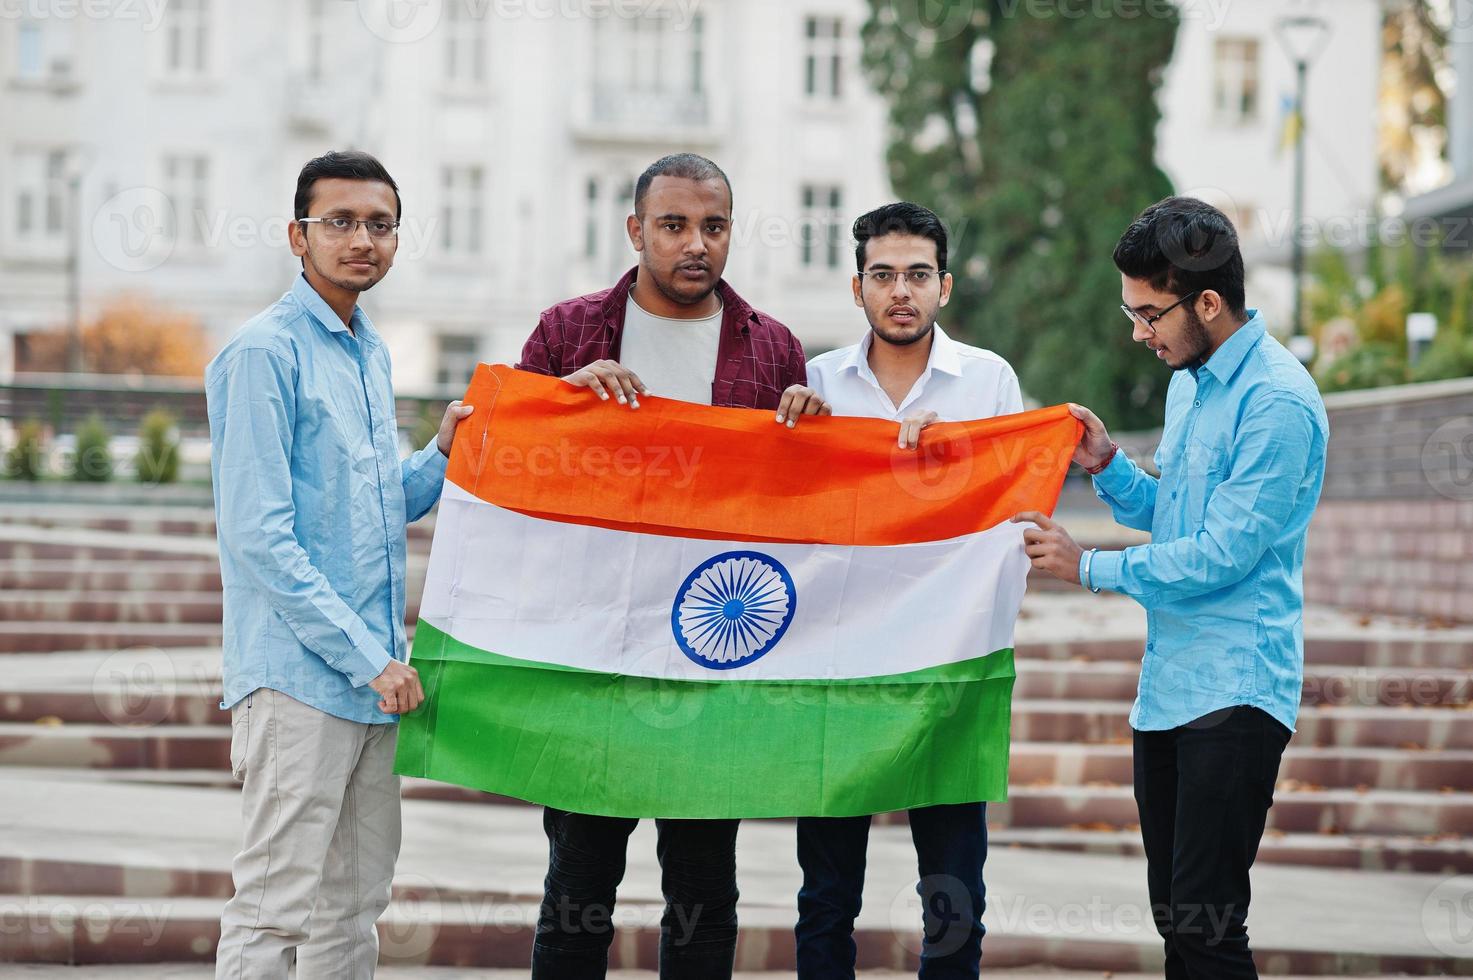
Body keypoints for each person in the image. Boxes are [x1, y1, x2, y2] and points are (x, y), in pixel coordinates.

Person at [515, 152, 828, 979]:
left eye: (713, 226)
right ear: (635, 230)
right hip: (592, 659)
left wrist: (809, 434)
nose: (696, 243)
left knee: (702, 895)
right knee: (577, 886)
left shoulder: (773, 350)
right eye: (674, 225)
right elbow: (504, 469)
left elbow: (795, 515)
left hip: (711, 659)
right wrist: (559, 409)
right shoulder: (566, 334)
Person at [1017, 196, 1329, 980]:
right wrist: (1109, 468)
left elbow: (1220, 554)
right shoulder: (1189, 380)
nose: (1137, 333)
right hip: (1169, 688)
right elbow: (1179, 518)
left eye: (1148, 314)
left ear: (1209, 303)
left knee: (1206, 922)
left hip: (1236, 693)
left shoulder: (1277, 404)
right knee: (1175, 916)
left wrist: (1086, 565)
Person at [208, 149, 473, 979]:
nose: (363, 239)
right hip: (299, 683)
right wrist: (370, 662)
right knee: (271, 911)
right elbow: (260, 538)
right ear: (298, 235)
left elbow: (374, 507)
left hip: (369, 687)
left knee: (352, 909)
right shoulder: (263, 353)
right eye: (342, 222)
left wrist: (444, 450)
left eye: (380, 224)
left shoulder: (368, 353)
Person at [794, 201, 1020, 980]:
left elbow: (1019, 514)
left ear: (944, 287)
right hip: (836, 674)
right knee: (825, 895)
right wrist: (794, 442)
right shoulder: (816, 382)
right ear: (856, 288)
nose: (900, 291)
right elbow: (785, 521)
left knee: (954, 897)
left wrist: (951, 466)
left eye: (917, 275)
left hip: (947, 669)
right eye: (882, 275)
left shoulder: (987, 382)